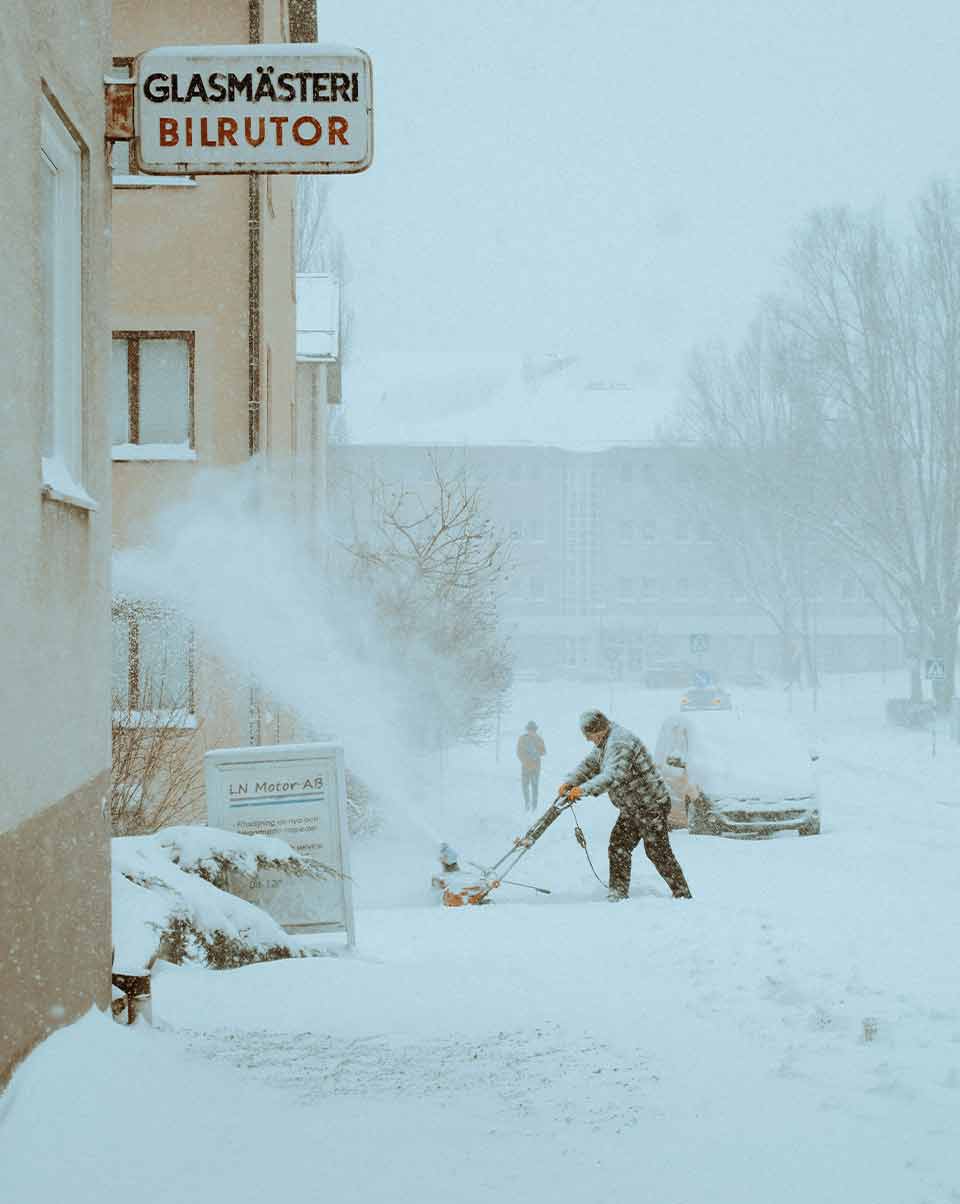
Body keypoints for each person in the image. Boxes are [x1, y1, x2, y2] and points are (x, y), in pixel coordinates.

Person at [559, 709, 692, 902]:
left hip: (650, 806)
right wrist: (571, 782)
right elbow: (591, 764)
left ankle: (682, 894)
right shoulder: (606, 741)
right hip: (633, 807)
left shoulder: (620, 743)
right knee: (618, 845)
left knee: (657, 852)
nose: (589, 740)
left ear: (599, 730)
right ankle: (618, 892)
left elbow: (613, 776)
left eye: (590, 736)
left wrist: (583, 790)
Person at [516, 720, 546, 812]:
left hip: (536, 767)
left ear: (535, 730)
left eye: (533, 729)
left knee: (535, 787)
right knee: (525, 786)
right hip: (525, 766)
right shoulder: (522, 739)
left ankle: (534, 806)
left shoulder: (539, 739)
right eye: (530, 729)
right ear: (527, 730)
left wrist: (537, 753)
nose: (531, 731)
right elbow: (518, 752)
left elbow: (544, 751)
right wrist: (525, 760)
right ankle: (527, 804)